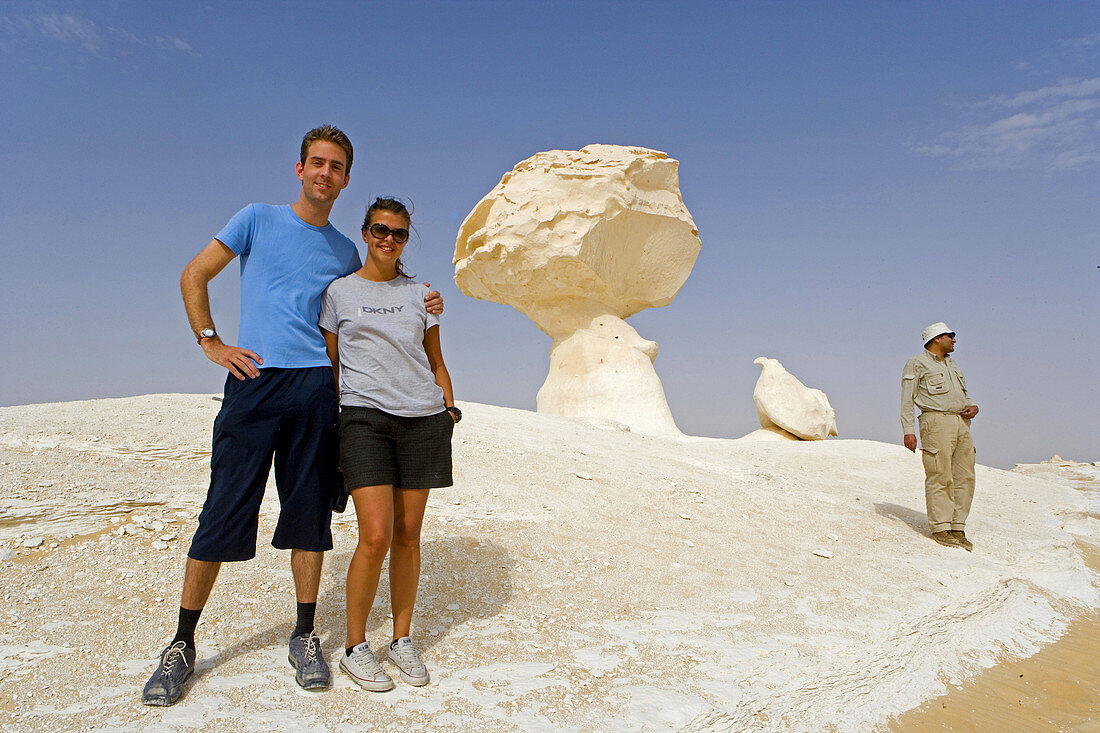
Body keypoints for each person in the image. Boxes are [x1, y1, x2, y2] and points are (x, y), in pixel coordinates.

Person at [141, 126, 444, 706]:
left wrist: (422, 298)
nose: (326, 174)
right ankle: (181, 644)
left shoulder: (344, 251)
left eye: (336, 167)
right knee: (225, 508)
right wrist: (212, 343)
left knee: (308, 514)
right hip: (253, 381)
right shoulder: (256, 218)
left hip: (313, 389)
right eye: (317, 164)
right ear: (300, 169)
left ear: (346, 180)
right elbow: (194, 273)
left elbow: (369, 299)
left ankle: (305, 635)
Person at [319, 197, 458, 691]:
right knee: (374, 535)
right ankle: (357, 646)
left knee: (409, 535)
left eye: (399, 234)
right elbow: (333, 367)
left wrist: (448, 408)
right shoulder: (338, 293)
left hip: (423, 420)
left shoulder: (423, 294)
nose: (389, 240)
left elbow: (435, 359)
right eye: (381, 230)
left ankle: (401, 639)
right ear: (365, 232)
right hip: (364, 421)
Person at [901, 322, 979, 551]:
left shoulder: (954, 366)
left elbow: (964, 395)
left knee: (965, 476)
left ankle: (957, 527)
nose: (954, 340)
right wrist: (908, 431)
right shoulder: (917, 363)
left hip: (961, 423)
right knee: (939, 474)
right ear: (936, 338)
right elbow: (907, 399)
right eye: (950, 336)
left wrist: (973, 406)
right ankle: (941, 527)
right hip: (935, 422)